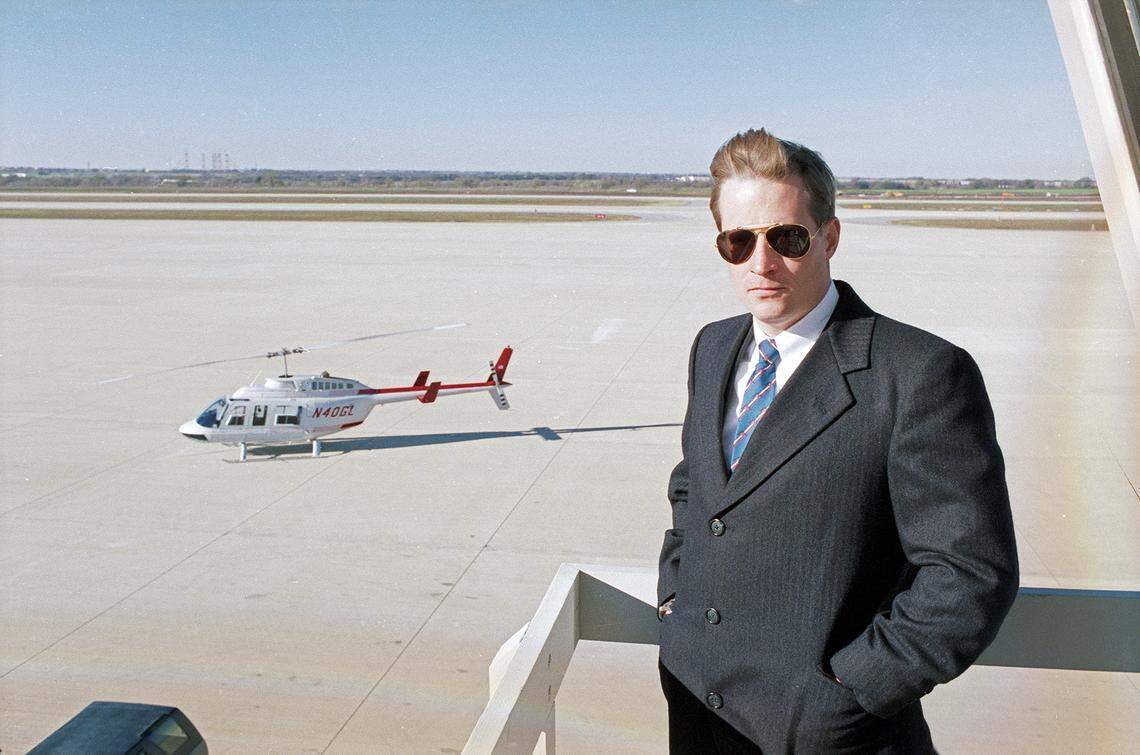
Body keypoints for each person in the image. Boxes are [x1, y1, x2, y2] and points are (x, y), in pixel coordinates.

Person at [656, 128, 1019, 753]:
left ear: (829, 236)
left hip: (829, 734)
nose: (761, 264)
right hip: (697, 709)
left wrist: (850, 692)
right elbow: (697, 485)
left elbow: (969, 573)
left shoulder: (919, 371)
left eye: (787, 238)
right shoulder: (713, 347)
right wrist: (674, 596)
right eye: (738, 242)